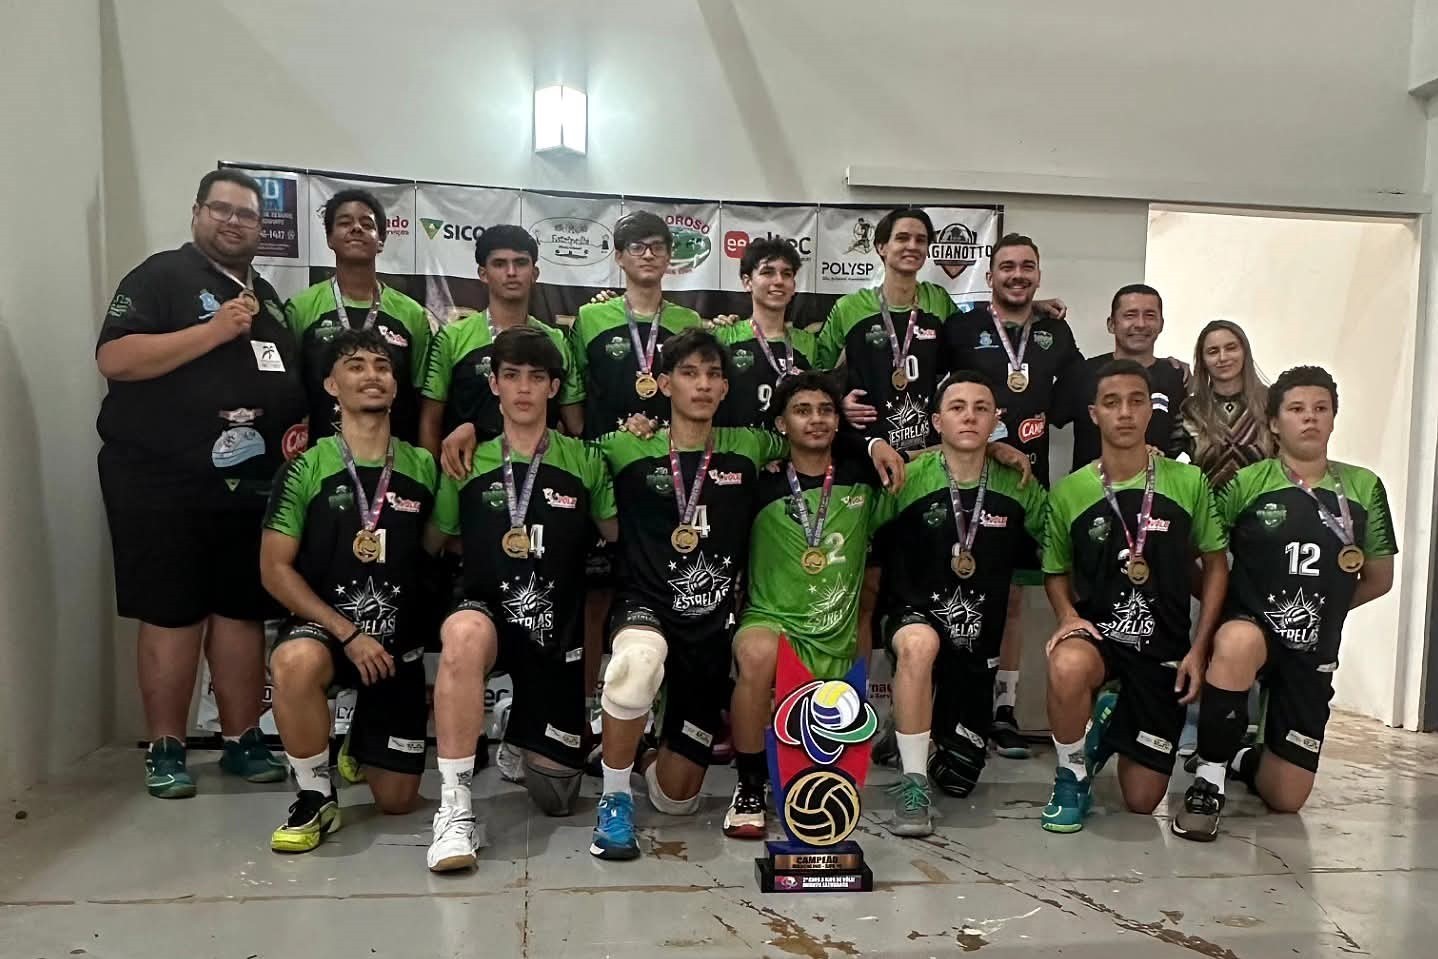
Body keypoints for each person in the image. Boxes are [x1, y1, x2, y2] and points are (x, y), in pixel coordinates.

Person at [589, 329, 902, 860]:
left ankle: (639, 750)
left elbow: (815, 437)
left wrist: (872, 442)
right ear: (663, 384)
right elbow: (567, 458)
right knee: (637, 663)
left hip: (708, 629)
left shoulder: (749, 446)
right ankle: (613, 799)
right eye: (689, 374)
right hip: (647, 607)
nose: (702, 385)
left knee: (676, 799)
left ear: (726, 387)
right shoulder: (626, 444)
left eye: (713, 375)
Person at [97, 168, 306, 798]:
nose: (234, 222)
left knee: (241, 611)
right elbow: (115, 358)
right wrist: (212, 332)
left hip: (250, 487)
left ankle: (242, 740)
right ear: (197, 213)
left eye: (247, 214)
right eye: (222, 209)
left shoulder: (267, 297)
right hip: (162, 481)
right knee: (173, 611)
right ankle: (166, 748)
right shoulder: (160, 277)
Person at [1172, 366, 1396, 841]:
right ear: (1274, 423)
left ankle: (1240, 757)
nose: (1310, 418)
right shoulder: (1246, 483)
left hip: (1313, 648)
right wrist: (1224, 608)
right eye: (1297, 409)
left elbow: (1379, 578)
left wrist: (1324, 612)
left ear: (1333, 418)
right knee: (1236, 642)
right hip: (1252, 628)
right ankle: (1207, 781)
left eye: (1320, 409)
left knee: (1286, 798)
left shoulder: (1364, 488)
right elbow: (1201, 555)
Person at [424, 328, 617, 871]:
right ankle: (455, 808)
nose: (524, 388)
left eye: (537, 377)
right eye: (511, 376)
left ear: (555, 387)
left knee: (557, 798)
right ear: (494, 384)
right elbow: (436, 540)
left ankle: (519, 728)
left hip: (556, 632)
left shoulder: (585, 459)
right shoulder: (466, 461)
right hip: (487, 613)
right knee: (462, 634)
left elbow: (617, 531)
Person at [259, 327, 439, 852]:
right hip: (328, 632)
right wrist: (348, 633)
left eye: (382, 367)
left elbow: (437, 545)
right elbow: (274, 569)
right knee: (294, 663)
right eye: (356, 366)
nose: (372, 376)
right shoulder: (305, 467)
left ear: (396, 385)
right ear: (331, 386)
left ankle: (359, 739)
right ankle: (316, 795)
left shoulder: (424, 466)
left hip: (395, 648)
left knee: (398, 801)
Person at [1040, 359, 1228, 833]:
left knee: (1142, 801)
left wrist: (1200, 648)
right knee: (1067, 664)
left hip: (1164, 648)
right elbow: (1054, 571)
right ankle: (1071, 776)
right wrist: (1067, 616)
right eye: (1111, 402)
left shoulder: (1188, 483)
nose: (1124, 412)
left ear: (1150, 411)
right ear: (1094, 414)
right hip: (1101, 638)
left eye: (1135, 401)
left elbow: (1216, 564)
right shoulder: (1070, 492)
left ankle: (1110, 717)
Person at [723, 370, 898, 838]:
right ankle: (749, 787)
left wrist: (995, 449)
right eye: (802, 411)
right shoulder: (758, 483)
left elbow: (937, 463)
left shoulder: (865, 481)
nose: (816, 420)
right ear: (782, 424)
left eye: (825, 410)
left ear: (839, 421)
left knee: (817, 794)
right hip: (770, 621)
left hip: (834, 637)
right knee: (757, 655)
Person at [873, 371, 1048, 836]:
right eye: (957, 408)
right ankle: (913, 785)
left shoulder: (1018, 483)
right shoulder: (907, 478)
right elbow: (864, 532)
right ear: (937, 421)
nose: (969, 416)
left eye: (980, 408)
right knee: (918, 646)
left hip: (975, 642)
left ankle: (908, 731)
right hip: (913, 617)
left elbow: (1059, 541)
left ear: (995, 420)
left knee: (958, 780)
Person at [943, 233, 1085, 760]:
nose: (1017, 275)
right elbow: (936, 395)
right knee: (953, 588)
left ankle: (1002, 709)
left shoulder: (1055, 333)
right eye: (1007, 266)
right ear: (990, 275)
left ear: (1039, 275)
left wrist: (1165, 369)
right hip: (963, 479)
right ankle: (948, 705)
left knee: (1013, 599)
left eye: (1027, 266)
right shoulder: (961, 329)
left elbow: (1084, 390)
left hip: (1026, 484)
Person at [420, 224, 583, 469]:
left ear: (535, 273)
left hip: (539, 475)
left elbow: (576, 426)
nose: (511, 272)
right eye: (499, 264)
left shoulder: (556, 341)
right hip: (469, 476)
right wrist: (432, 480)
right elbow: (431, 420)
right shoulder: (452, 338)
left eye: (520, 263)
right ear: (483, 273)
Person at [286, 189, 431, 447]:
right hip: (322, 457)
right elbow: (290, 393)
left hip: (394, 459)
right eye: (345, 223)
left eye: (367, 224)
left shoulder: (412, 314)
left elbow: (423, 398)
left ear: (381, 241)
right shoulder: (301, 308)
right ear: (329, 239)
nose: (356, 228)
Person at [1061, 284, 1190, 470]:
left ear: (1161, 324)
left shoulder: (1177, 376)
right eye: (1130, 315)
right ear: (1111, 324)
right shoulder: (1082, 373)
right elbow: (1037, 415)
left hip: (1158, 485)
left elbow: (1186, 442)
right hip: (1092, 486)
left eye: (1150, 315)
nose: (1141, 324)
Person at [714, 237, 819, 429]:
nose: (778, 281)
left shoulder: (808, 342)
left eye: (786, 274)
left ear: (794, 286)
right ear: (747, 282)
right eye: (767, 272)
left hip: (790, 447)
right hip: (736, 447)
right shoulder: (723, 336)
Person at [1182, 319, 1273, 490]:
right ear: (1203, 360)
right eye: (1213, 351)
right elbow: (1166, 460)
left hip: (1265, 503)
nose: (1223, 358)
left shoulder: (1271, 403)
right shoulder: (1191, 410)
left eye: (1231, 348)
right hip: (1207, 505)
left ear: (1245, 352)